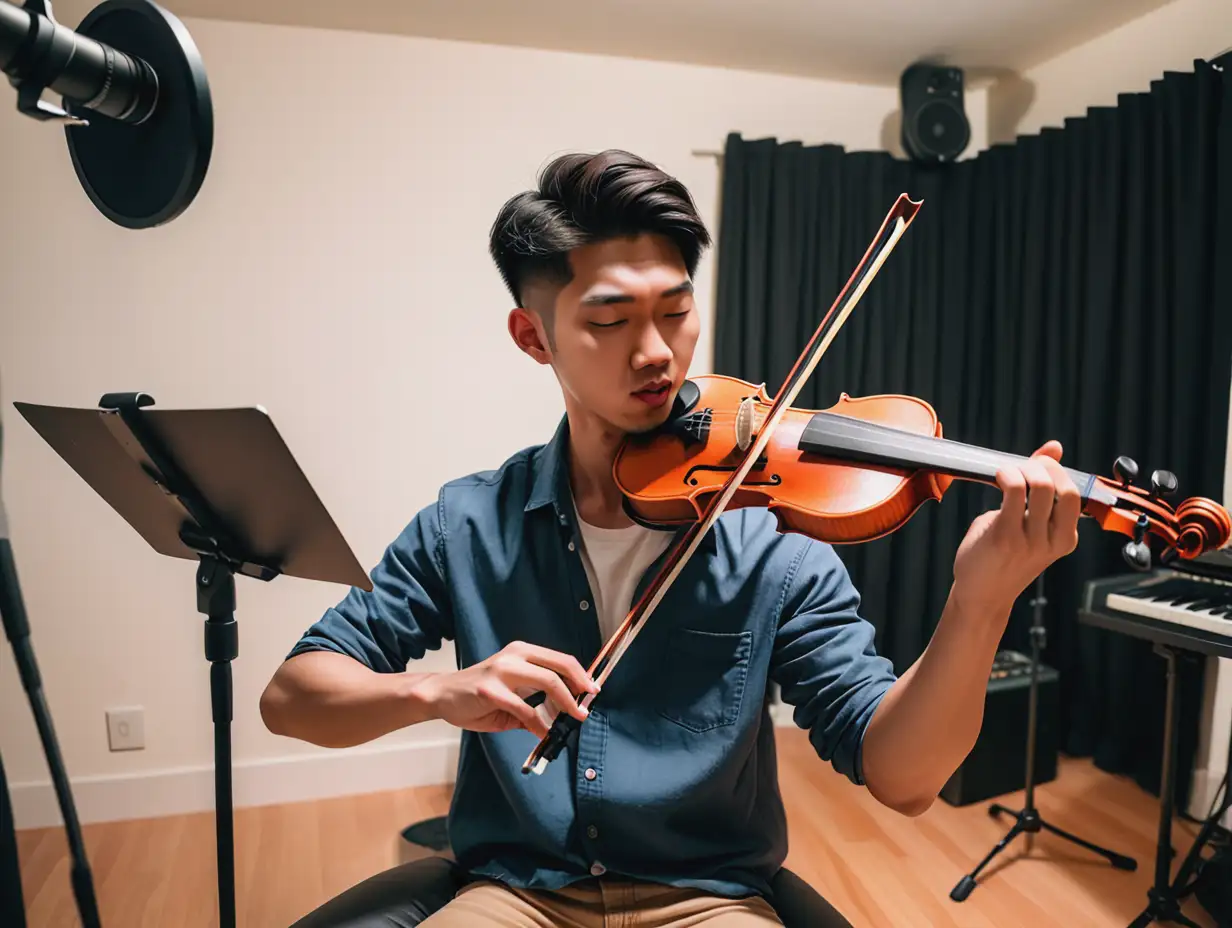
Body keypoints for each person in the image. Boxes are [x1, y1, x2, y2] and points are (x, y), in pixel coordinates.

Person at [260, 149, 1083, 927]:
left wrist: (981, 602)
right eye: (610, 321)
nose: (657, 354)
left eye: (677, 311)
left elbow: (903, 779)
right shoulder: (467, 524)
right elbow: (292, 698)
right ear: (533, 336)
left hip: (708, 899)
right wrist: (437, 694)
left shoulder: (772, 534)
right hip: (516, 894)